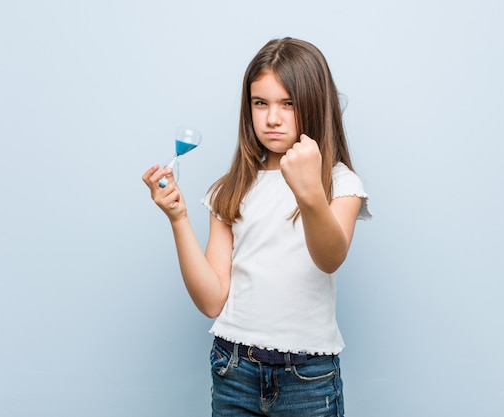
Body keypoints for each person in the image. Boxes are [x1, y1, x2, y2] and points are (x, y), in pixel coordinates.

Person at [142, 37, 371, 417]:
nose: (272, 118)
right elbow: (212, 299)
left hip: (308, 379)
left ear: (314, 105)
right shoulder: (230, 188)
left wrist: (310, 190)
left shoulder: (339, 183)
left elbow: (330, 258)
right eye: (260, 103)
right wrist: (179, 219)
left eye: (288, 103)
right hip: (234, 368)